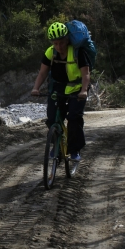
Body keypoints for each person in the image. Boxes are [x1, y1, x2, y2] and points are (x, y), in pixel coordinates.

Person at [31, 22, 90, 161]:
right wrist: (36, 88)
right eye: (55, 43)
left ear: (67, 40)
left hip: (76, 89)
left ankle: (75, 149)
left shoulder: (78, 52)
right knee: (52, 118)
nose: (59, 47)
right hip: (57, 88)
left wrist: (83, 91)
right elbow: (42, 73)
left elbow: (86, 74)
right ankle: (56, 145)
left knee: (74, 117)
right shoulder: (50, 52)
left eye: (62, 43)